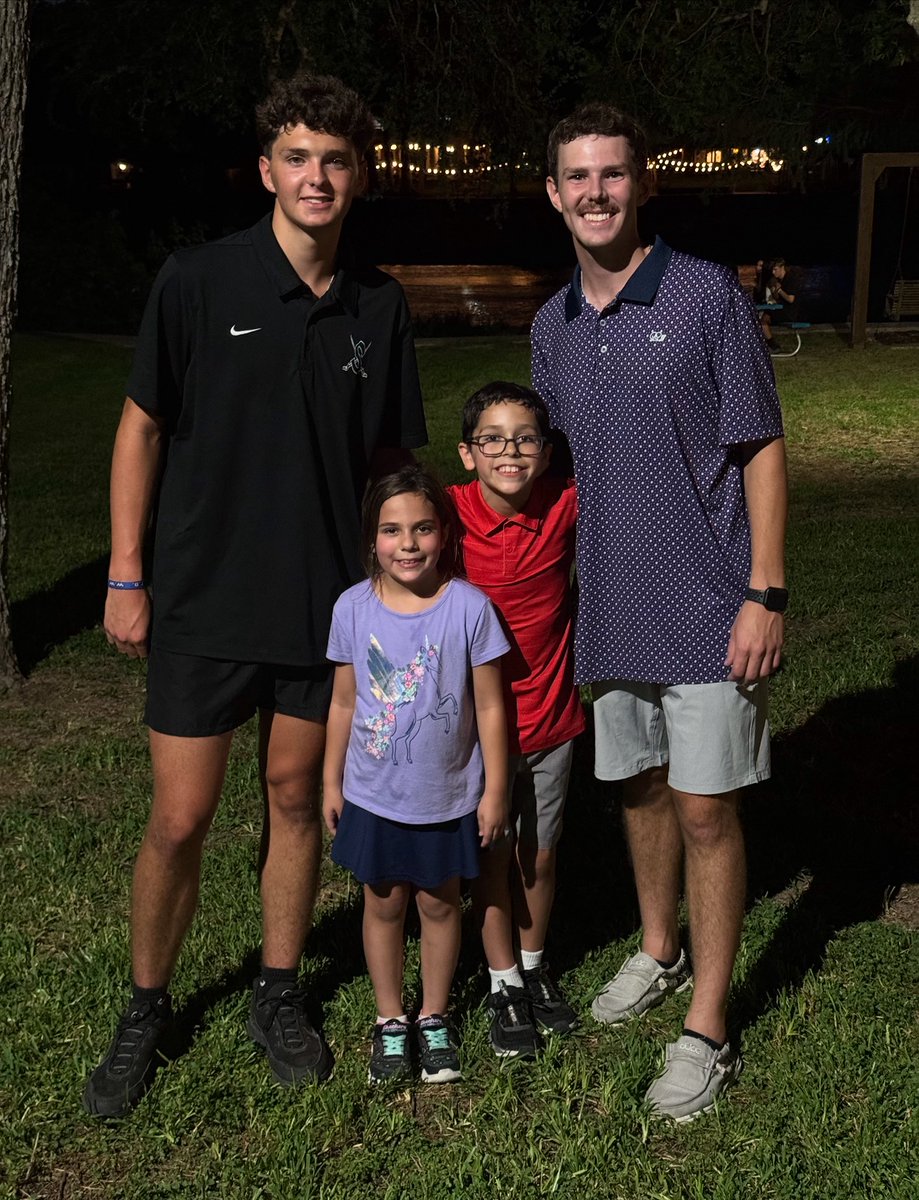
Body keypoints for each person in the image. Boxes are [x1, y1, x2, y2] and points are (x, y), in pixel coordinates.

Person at [85, 74, 427, 1117]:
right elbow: (140, 428)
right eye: (298, 156)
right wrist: (126, 574)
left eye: (336, 159)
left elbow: (385, 461)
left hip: (321, 608)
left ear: (359, 176)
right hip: (200, 597)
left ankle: (278, 993)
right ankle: (146, 1005)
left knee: (292, 801)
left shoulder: (378, 303)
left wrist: (398, 591)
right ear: (269, 167)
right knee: (181, 817)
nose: (316, 175)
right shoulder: (199, 280)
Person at [531, 102, 787, 1123]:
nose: (594, 192)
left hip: (712, 604)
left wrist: (764, 591)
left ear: (640, 184)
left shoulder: (705, 295)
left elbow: (759, 445)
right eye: (575, 178)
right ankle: (657, 949)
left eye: (611, 174)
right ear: (553, 193)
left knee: (704, 810)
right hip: (610, 608)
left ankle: (709, 1027)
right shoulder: (552, 325)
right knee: (637, 794)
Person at [322, 466, 509, 1083]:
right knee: (383, 905)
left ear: (444, 534)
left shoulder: (470, 609)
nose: (408, 543)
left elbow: (488, 705)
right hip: (374, 796)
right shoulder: (351, 608)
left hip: (448, 797)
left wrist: (495, 790)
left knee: (439, 905)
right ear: (371, 538)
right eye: (392, 530)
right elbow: (345, 702)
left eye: (422, 528)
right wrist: (330, 782)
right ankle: (389, 1020)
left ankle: (432, 1016)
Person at [447, 382, 583, 1058]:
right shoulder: (441, 518)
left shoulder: (565, 504)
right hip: (475, 735)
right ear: (467, 454)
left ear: (546, 451)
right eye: (492, 438)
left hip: (552, 719)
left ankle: (534, 966)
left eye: (525, 438)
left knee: (541, 854)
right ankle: (501, 982)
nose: (510, 450)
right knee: (492, 857)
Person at [756, 257, 797, 352]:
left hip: (790, 312)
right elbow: (778, 298)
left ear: (782, 268)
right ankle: (770, 345)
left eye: (775, 269)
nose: (773, 272)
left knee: (762, 320)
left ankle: (773, 346)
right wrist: (774, 291)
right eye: (772, 270)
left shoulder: (791, 279)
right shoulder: (778, 280)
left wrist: (779, 290)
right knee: (762, 316)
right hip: (782, 309)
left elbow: (790, 299)